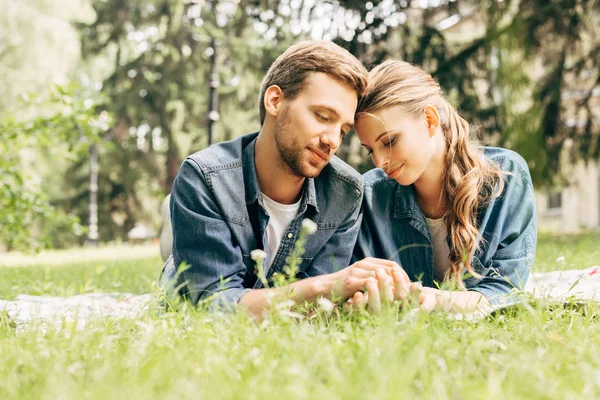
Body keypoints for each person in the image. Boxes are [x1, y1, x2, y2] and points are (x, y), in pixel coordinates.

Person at [160, 41, 410, 318]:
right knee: (177, 284)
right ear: (275, 101)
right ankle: (174, 221)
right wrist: (325, 287)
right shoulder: (204, 178)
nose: (332, 140)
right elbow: (212, 305)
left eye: (343, 130)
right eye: (322, 116)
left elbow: (320, 311)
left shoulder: (346, 192)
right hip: (196, 251)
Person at [351, 60, 537, 313]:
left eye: (390, 141)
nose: (380, 161)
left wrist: (429, 300)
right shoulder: (369, 195)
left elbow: (507, 290)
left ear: (429, 119)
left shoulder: (505, 177)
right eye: (370, 149)